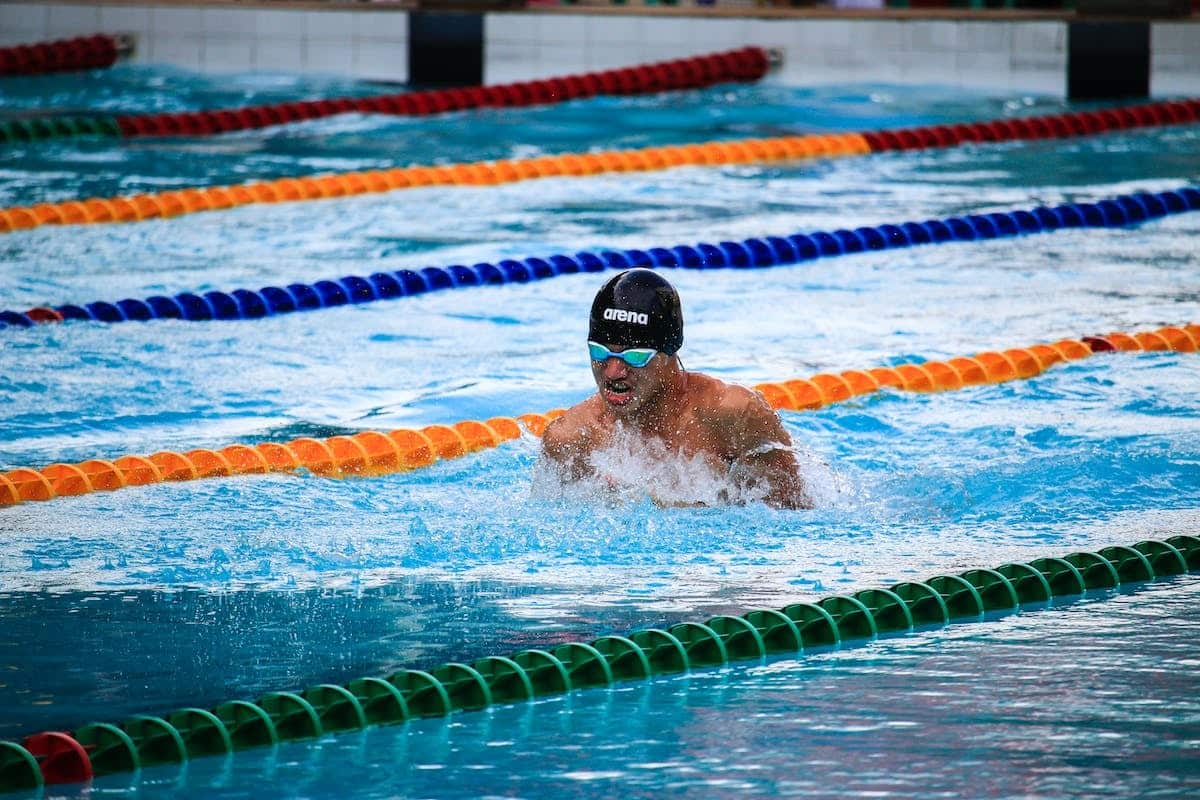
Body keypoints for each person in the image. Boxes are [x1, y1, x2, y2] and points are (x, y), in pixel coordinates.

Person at [539, 268, 811, 509]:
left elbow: (793, 513)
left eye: (634, 356)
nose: (613, 372)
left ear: (669, 350)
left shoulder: (733, 414)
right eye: (599, 353)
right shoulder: (571, 439)